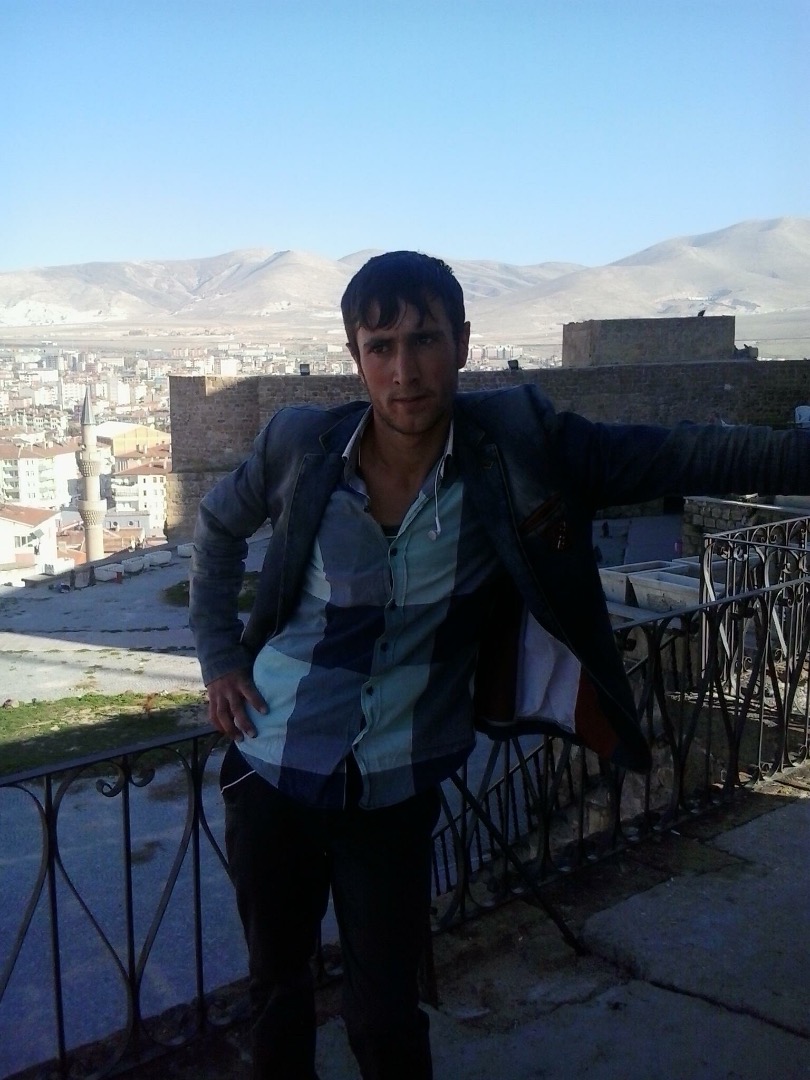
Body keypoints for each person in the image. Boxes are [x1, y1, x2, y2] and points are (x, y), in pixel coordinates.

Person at [189, 251, 810, 1079]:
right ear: (355, 357)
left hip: (393, 790)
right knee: (277, 993)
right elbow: (216, 530)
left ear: (463, 342)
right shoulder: (301, 448)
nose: (404, 371)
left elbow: (687, 455)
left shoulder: (518, 448)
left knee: (386, 1014)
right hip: (271, 768)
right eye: (380, 347)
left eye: (425, 339)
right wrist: (220, 657)